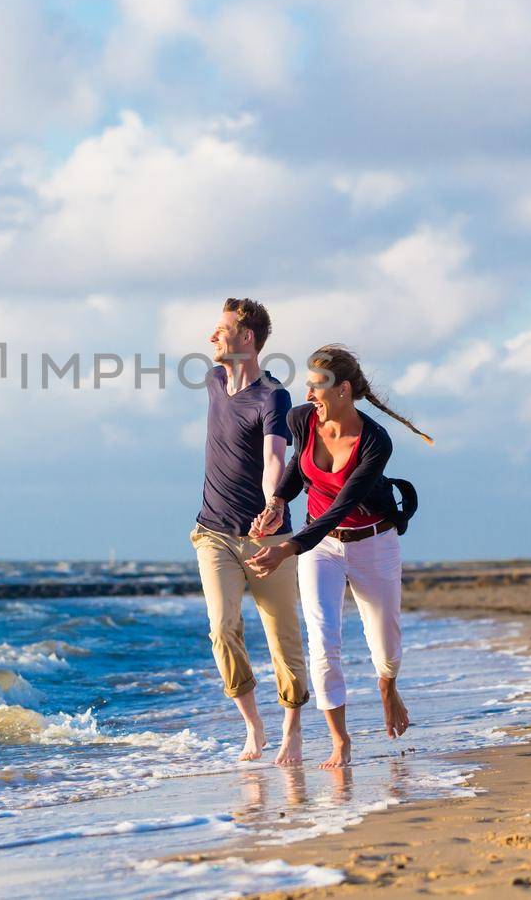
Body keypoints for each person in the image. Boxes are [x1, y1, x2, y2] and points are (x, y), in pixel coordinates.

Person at [247, 344, 432, 770]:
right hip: (323, 547)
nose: (308, 394)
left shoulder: (375, 442)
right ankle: (339, 740)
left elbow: (342, 504)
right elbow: (298, 468)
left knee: (385, 643)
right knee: (323, 640)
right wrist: (276, 505)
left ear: (343, 390)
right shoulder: (302, 420)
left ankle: (387, 687)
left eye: (316, 387)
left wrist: (287, 547)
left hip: (373, 541)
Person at [189, 298, 309, 766]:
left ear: (247, 338)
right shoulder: (215, 380)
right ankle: (252, 725)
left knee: (283, 638)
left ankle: (292, 728)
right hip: (213, 531)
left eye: (221, 329)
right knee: (222, 629)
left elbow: (274, 457)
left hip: (267, 538)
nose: (211, 337)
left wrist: (273, 503)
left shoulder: (273, 397)